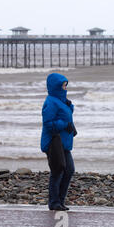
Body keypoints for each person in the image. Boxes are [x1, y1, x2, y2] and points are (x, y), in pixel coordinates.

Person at [40, 73, 77, 211]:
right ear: (55, 86)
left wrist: (69, 107)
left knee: (69, 170)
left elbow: (65, 115)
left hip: (64, 143)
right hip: (54, 143)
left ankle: (60, 201)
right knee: (58, 171)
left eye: (66, 85)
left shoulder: (61, 100)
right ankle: (54, 202)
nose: (65, 87)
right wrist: (64, 124)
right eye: (63, 85)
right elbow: (48, 124)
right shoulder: (50, 102)